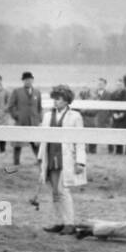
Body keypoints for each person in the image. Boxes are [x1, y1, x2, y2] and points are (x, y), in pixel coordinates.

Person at [40, 84, 85, 235]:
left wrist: (80, 161)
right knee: (54, 191)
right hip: (51, 157)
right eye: (54, 99)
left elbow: (80, 141)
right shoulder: (47, 116)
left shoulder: (75, 116)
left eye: (58, 99)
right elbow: (43, 139)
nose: (55, 101)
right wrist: (41, 158)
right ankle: (59, 221)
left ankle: (70, 223)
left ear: (66, 101)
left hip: (66, 158)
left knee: (63, 190)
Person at [7, 71, 42, 165]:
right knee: (18, 145)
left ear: (32, 80)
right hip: (21, 122)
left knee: (36, 144)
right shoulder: (17, 91)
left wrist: (39, 119)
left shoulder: (37, 92)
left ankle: (40, 161)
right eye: (26, 80)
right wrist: (16, 116)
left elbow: (39, 107)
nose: (28, 82)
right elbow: (10, 106)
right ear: (23, 81)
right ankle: (16, 163)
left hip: (34, 122)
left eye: (30, 80)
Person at [108, 76, 126, 155]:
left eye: (120, 85)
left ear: (123, 85)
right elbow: (110, 107)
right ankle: (118, 151)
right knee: (118, 135)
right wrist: (114, 114)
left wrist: (123, 114)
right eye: (117, 85)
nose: (119, 87)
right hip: (117, 120)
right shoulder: (113, 95)